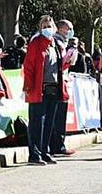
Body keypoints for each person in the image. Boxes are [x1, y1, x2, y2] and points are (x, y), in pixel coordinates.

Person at [22, 15, 69, 165]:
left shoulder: (55, 44)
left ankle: (44, 151)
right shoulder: (36, 43)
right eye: (44, 26)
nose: (48, 29)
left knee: (49, 122)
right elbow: (28, 66)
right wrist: (28, 86)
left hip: (54, 87)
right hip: (39, 88)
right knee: (37, 122)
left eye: (50, 26)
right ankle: (34, 154)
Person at [47, 19, 79, 157]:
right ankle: (56, 145)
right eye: (69, 28)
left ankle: (59, 143)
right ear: (61, 29)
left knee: (60, 115)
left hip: (63, 80)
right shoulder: (56, 43)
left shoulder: (64, 43)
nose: (71, 31)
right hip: (57, 82)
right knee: (57, 116)